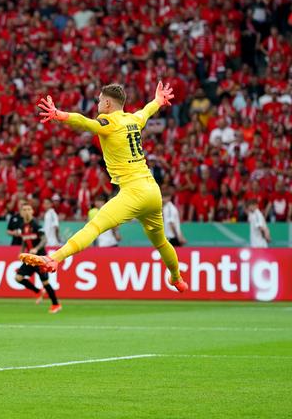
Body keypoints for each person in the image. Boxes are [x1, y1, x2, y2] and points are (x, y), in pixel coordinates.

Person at [21, 82, 189, 293]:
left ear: (108, 103)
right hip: (152, 191)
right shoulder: (133, 119)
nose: (98, 103)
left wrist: (59, 114)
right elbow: (148, 109)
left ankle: (54, 259)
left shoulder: (109, 121)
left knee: (95, 226)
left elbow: (85, 123)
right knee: (162, 242)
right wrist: (159, 100)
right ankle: (176, 278)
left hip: (133, 192)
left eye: (100, 100)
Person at [14, 202, 60, 313]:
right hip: (30, 259)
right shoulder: (22, 226)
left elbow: (44, 239)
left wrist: (36, 248)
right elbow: (25, 241)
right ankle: (38, 292)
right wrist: (21, 252)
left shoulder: (36, 224)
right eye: (24, 209)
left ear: (32, 211)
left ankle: (56, 304)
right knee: (18, 278)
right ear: (21, 213)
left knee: (45, 282)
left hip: (39, 259)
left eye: (29, 209)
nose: (26, 211)